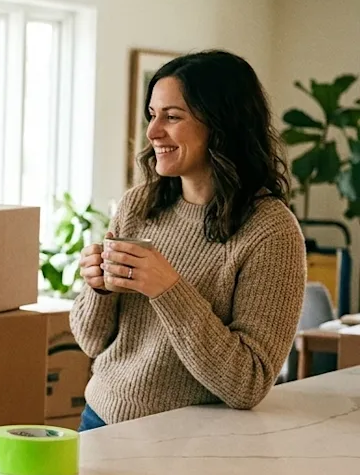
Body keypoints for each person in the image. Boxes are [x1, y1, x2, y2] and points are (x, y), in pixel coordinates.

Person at [71, 49, 306, 431]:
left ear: (222, 124)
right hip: (99, 422)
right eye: (152, 115)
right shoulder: (139, 204)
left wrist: (168, 288)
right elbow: (92, 342)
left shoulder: (271, 232)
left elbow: (248, 383)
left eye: (172, 117)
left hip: (189, 446)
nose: (153, 132)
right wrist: (97, 289)